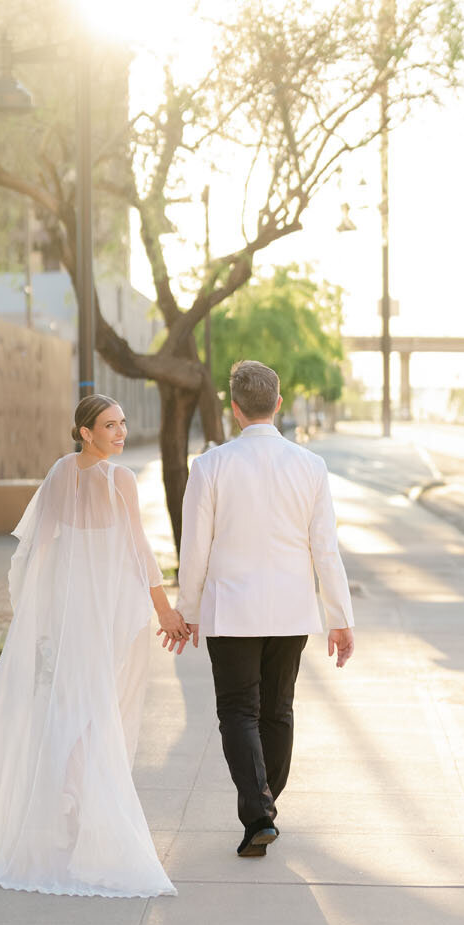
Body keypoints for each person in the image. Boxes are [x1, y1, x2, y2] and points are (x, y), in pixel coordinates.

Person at [0, 395, 189, 898]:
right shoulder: (118, 481)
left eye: (123, 423)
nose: (120, 432)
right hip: (95, 612)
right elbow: (135, 552)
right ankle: (76, 797)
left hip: (85, 611)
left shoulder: (64, 474)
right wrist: (163, 610)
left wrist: (35, 612)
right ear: (85, 431)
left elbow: (40, 551)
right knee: (95, 703)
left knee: (80, 702)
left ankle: (70, 798)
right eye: (110, 425)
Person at [176, 359, 355, 858]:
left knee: (238, 711)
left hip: (231, 612)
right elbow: (326, 549)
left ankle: (259, 812)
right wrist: (339, 618)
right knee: (277, 711)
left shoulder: (210, 466)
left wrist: (187, 608)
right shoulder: (311, 466)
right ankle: (264, 806)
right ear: (278, 404)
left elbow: (195, 548)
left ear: (234, 409)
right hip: (292, 612)